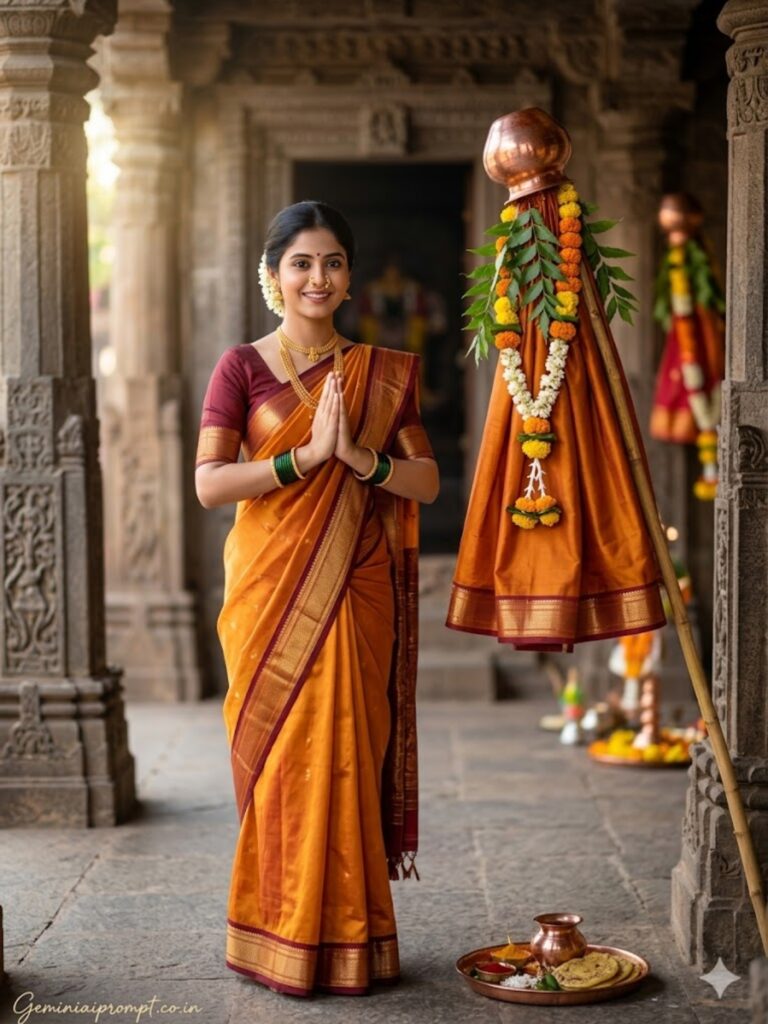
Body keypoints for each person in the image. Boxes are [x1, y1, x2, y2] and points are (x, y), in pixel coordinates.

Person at [194, 200, 439, 997]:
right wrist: (303, 460)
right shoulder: (241, 367)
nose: (317, 277)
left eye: (332, 262)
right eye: (300, 263)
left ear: (348, 276)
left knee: (346, 756)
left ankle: (351, 938)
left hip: (356, 586)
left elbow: (427, 481)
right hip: (271, 588)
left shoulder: (384, 373)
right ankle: (280, 932)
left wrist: (362, 459)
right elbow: (209, 483)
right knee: (285, 759)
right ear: (272, 276)